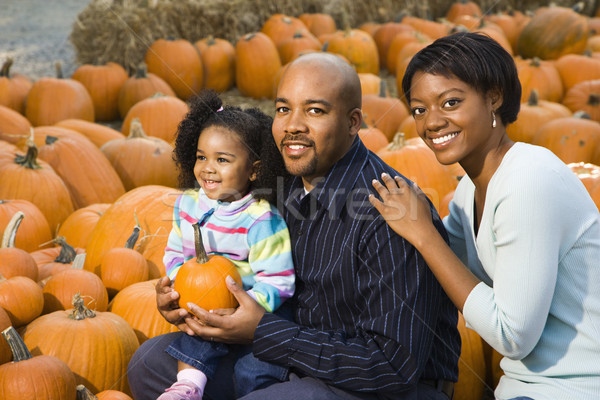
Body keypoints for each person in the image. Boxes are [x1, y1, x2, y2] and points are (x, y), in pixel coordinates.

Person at [128, 52, 460, 400]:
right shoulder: (278, 177)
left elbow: (390, 368)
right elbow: (237, 256)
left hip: (373, 386)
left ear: (353, 122)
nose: (292, 125)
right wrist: (192, 301)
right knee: (149, 365)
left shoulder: (389, 210)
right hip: (288, 354)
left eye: (315, 111)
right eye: (284, 109)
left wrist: (263, 331)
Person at [369, 32, 600, 400]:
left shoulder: (528, 181)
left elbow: (513, 336)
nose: (431, 122)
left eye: (451, 102)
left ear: (494, 97)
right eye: (419, 109)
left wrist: (425, 233)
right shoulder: (469, 191)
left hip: (576, 387)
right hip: (521, 388)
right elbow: (434, 275)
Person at [154, 89, 296, 400]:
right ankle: (188, 386)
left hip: (259, 311)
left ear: (254, 169)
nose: (207, 167)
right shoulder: (187, 204)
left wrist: (245, 310)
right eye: (202, 156)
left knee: (254, 368)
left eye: (222, 160)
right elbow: (176, 252)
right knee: (195, 339)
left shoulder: (261, 219)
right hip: (208, 303)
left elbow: (278, 280)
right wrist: (182, 286)